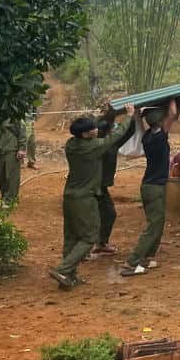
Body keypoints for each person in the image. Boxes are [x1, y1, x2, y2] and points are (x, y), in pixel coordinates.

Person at [49, 104, 136, 290]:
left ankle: (69, 277)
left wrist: (109, 114)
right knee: (89, 237)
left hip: (69, 197)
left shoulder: (71, 144)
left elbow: (92, 128)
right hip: (84, 198)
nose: (97, 129)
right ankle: (64, 270)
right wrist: (129, 116)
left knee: (71, 237)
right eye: (93, 129)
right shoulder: (94, 147)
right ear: (86, 134)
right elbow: (116, 136)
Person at [122, 101, 177, 276]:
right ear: (160, 121)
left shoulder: (147, 137)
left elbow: (161, 118)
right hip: (154, 188)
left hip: (149, 186)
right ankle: (132, 261)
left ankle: (146, 258)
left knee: (158, 223)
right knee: (154, 225)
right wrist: (172, 97)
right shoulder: (160, 137)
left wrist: (137, 112)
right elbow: (173, 114)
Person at [89, 111, 137, 258]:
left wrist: (115, 114)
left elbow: (129, 131)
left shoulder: (106, 144)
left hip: (99, 187)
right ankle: (84, 249)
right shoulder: (100, 145)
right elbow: (126, 131)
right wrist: (130, 115)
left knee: (107, 214)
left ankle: (100, 243)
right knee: (90, 218)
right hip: (90, 187)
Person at [0, 119, 26, 206]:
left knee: (11, 177)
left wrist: (22, 148)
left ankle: (10, 199)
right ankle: (4, 196)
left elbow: (22, 132)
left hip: (12, 151)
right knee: (2, 176)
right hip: (0, 151)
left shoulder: (15, 118)